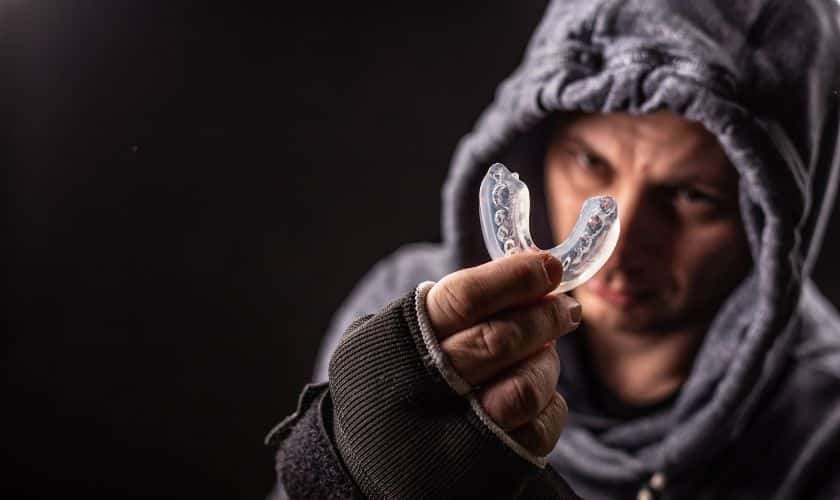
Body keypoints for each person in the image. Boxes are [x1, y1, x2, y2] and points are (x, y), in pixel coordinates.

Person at [267, 0, 840, 498]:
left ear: (771, 222)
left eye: (691, 196)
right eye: (590, 162)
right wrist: (341, 477)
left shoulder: (825, 432)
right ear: (539, 144)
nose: (622, 246)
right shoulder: (406, 324)